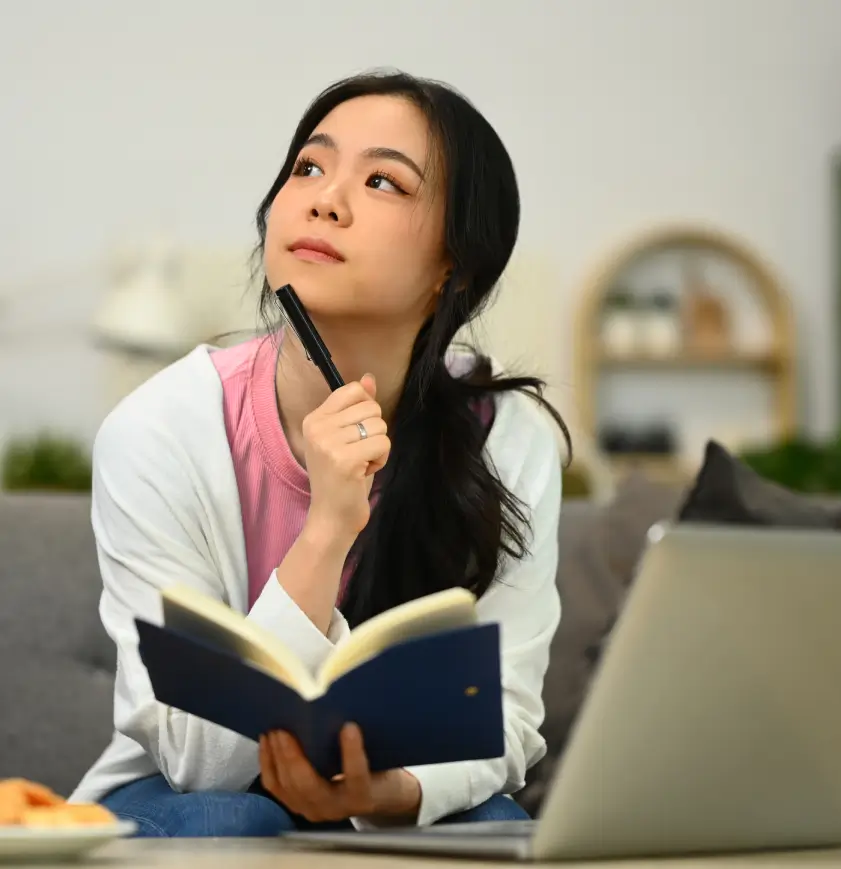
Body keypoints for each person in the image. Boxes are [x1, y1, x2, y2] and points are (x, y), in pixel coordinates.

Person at [68, 69, 570, 837]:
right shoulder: (159, 430)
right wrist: (327, 529)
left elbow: (504, 716)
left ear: (454, 266)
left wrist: (386, 792)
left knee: (492, 823)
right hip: (177, 798)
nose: (324, 199)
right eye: (308, 167)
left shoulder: (505, 435)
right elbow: (195, 759)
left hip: (383, 797)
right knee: (234, 819)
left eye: (382, 181)